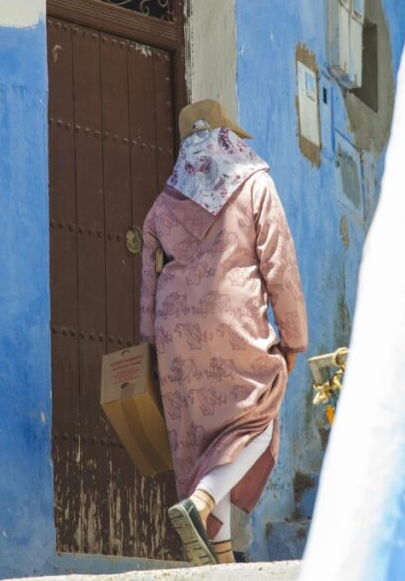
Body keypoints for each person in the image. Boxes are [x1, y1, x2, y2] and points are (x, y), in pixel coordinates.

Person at [139, 99, 308, 565]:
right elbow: (279, 263)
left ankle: (221, 555)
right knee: (258, 419)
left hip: (176, 334)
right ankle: (201, 502)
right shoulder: (255, 184)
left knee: (207, 440)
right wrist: (293, 338)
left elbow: (149, 275)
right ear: (228, 137)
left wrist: (148, 342)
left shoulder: (163, 204)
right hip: (233, 321)